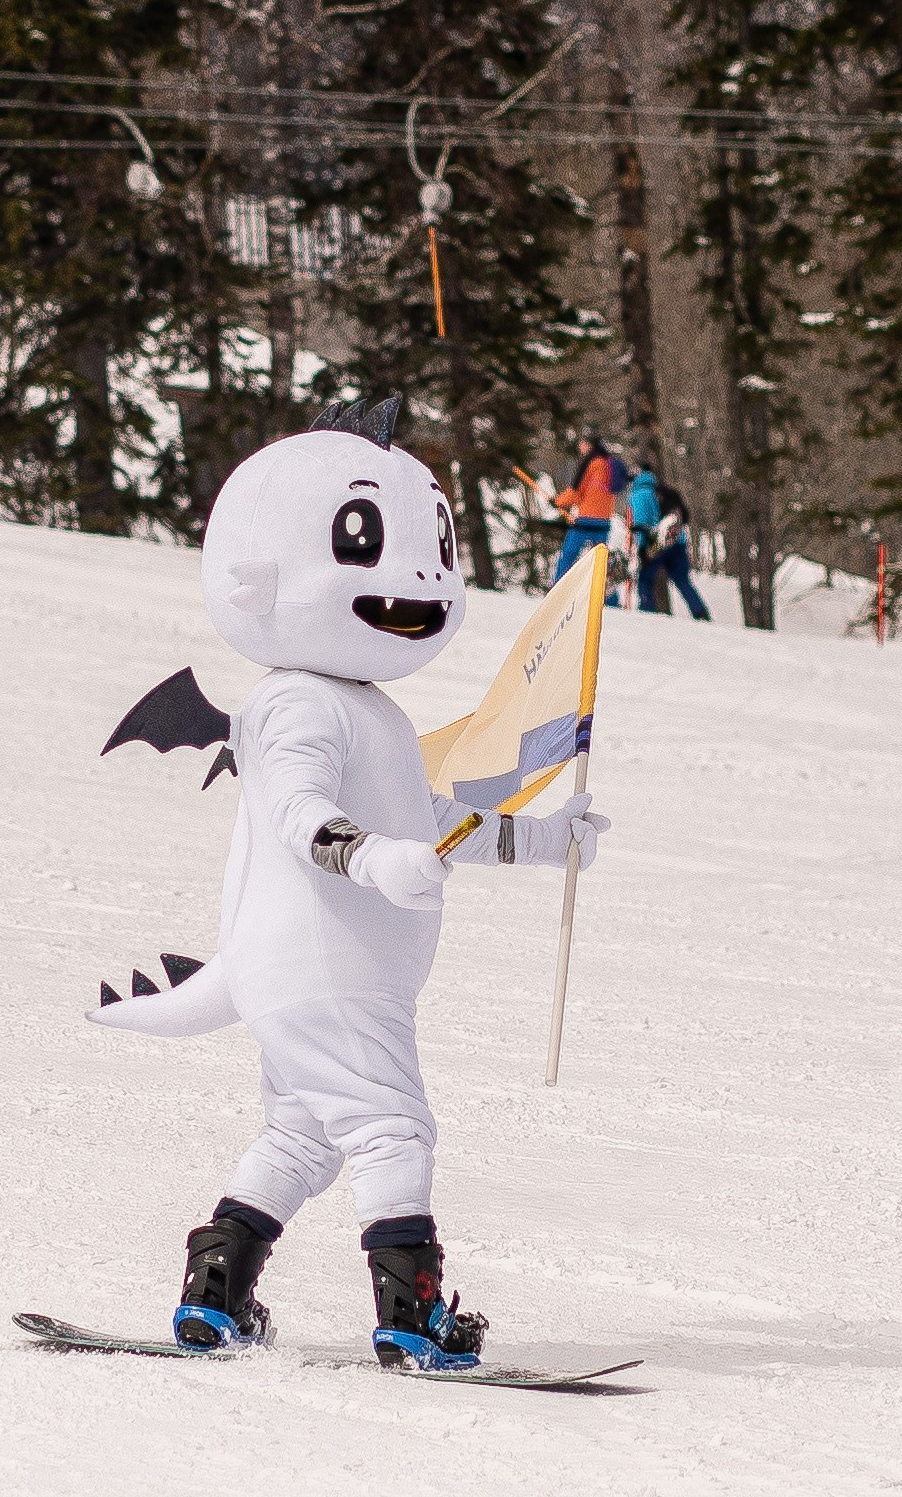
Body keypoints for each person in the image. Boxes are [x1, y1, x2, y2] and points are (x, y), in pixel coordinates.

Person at [90, 394, 609, 1371]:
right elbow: (296, 813)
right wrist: (367, 857)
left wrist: (546, 843)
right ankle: (411, 1312)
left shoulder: (364, 710)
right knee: (391, 1124)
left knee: (305, 1132)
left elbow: (433, 826)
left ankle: (218, 1286)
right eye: (365, 540)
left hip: (329, 972)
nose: (416, 577)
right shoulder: (293, 704)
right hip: (324, 964)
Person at [632, 466, 710, 620]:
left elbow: (642, 523)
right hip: (678, 541)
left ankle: (647, 614)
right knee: (682, 580)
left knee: (645, 579)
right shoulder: (665, 491)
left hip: (658, 543)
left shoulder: (640, 493)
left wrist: (642, 548)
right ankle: (700, 612)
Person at [551, 431, 627, 581]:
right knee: (600, 562)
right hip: (604, 521)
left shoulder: (591, 463)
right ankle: (609, 599)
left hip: (585, 519)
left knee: (568, 556)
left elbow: (575, 493)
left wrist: (557, 502)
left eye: (582, 443)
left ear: (589, 445)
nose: (580, 447)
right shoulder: (609, 464)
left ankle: (557, 587)